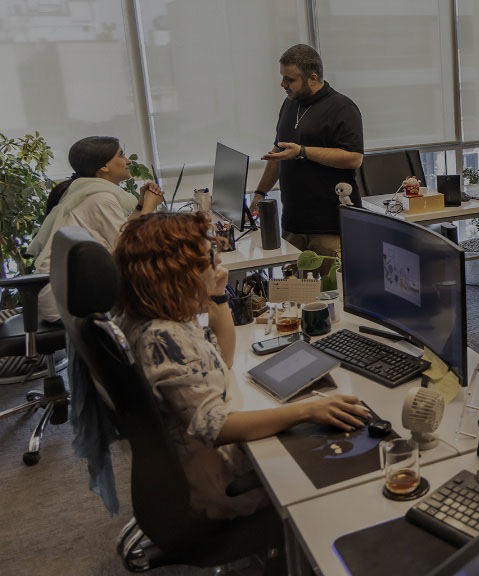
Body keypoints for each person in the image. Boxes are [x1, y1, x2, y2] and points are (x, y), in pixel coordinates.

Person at [114, 211, 371, 519]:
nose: (218, 262)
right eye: (209, 258)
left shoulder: (153, 318)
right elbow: (217, 427)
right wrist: (307, 411)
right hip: (222, 484)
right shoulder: (163, 338)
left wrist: (217, 296)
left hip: (201, 466)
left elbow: (223, 359)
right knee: (356, 459)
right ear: (178, 272)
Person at [27, 136, 164, 323]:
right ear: (104, 166)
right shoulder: (100, 198)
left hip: (64, 290)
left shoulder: (88, 191)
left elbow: (124, 232)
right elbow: (128, 248)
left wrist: (141, 205)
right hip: (65, 299)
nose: (128, 161)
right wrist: (150, 206)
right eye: (121, 155)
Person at [252, 44, 364, 264]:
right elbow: (278, 153)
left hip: (330, 228)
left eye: (290, 79)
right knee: (295, 286)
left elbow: (354, 158)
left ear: (312, 78)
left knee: (333, 285)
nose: (283, 84)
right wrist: (259, 193)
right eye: (282, 77)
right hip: (293, 225)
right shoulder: (289, 104)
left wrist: (302, 151)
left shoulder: (342, 108)